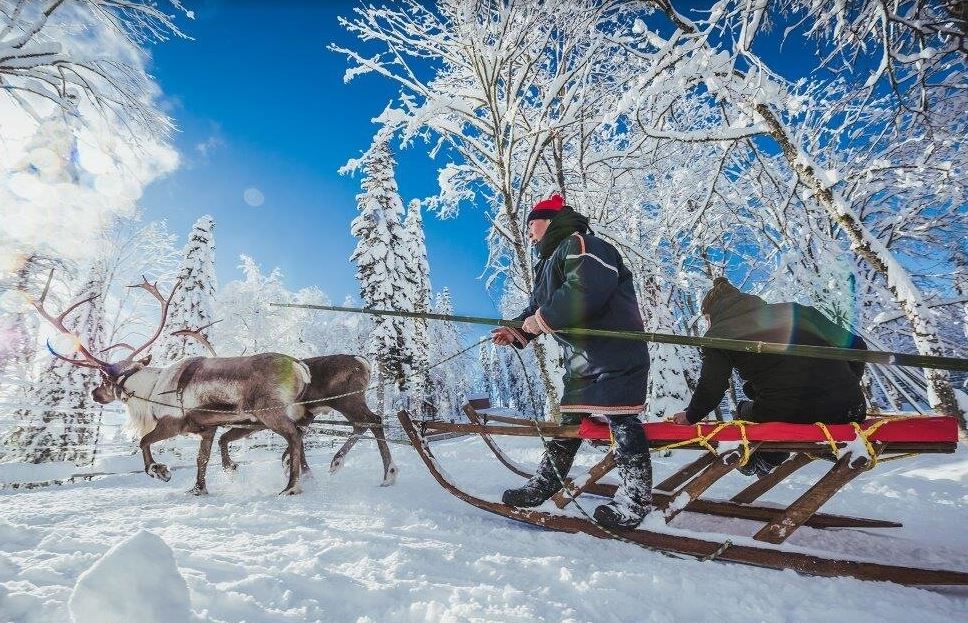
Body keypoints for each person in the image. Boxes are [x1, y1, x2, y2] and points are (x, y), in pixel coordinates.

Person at [491, 192, 652, 529]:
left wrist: (540, 320)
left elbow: (585, 291)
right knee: (568, 426)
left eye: (532, 224)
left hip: (613, 351)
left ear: (549, 220)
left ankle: (635, 500)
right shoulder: (548, 263)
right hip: (581, 360)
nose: (529, 232)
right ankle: (544, 484)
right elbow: (538, 309)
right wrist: (517, 331)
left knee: (622, 422)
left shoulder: (582, 244)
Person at [672, 277, 868, 475]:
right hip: (851, 409)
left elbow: (712, 385)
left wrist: (691, 416)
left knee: (743, 412)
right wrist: (847, 386)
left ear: (712, 313)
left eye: (707, 319)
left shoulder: (718, 333)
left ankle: (760, 462)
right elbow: (857, 347)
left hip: (790, 415)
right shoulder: (797, 311)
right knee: (761, 398)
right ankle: (826, 449)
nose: (707, 325)